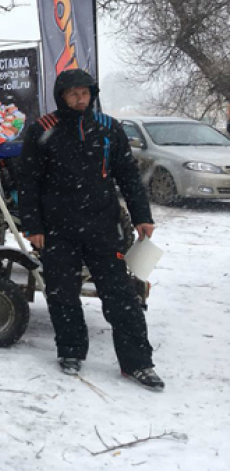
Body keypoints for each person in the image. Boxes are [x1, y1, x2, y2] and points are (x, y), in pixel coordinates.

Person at [18, 68, 164, 391]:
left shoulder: (109, 129)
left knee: (121, 296)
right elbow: (27, 183)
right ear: (61, 96)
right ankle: (70, 351)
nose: (80, 98)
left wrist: (142, 216)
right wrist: (33, 226)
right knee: (62, 293)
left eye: (85, 92)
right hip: (58, 230)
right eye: (73, 93)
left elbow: (128, 176)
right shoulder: (43, 130)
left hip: (102, 227)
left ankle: (138, 363)